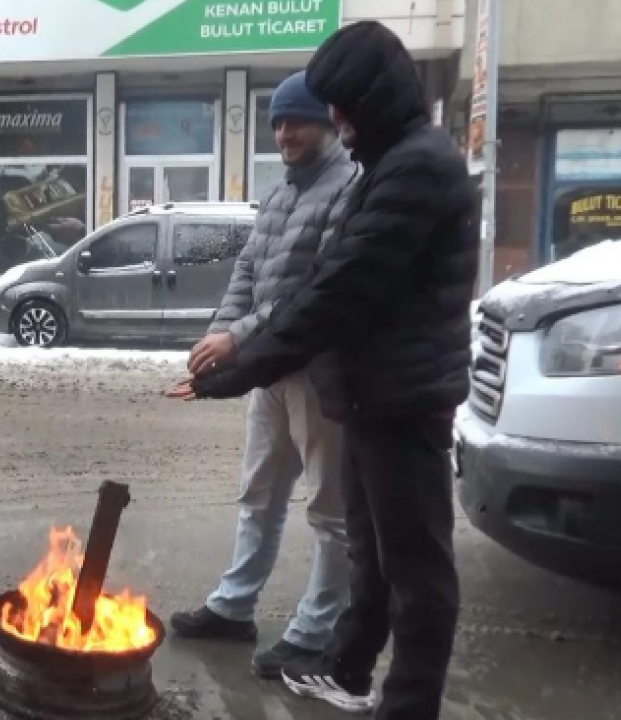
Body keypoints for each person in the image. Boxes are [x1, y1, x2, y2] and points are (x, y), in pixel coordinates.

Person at [167, 21, 477, 719]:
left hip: (402, 399)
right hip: (368, 396)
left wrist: (232, 368)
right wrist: (231, 343)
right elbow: (275, 278)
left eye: (334, 108)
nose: (328, 120)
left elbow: (332, 294)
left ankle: (406, 703)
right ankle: (346, 668)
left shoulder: (414, 170)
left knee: (415, 572)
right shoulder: (385, 165)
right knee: (371, 556)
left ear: (366, 100)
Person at [168, 70, 359, 681]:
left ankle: (317, 630)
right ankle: (233, 607)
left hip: (323, 374)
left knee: (330, 510)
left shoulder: (349, 188)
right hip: (272, 373)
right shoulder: (278, 195)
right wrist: (220, 334)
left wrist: (239, 336)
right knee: (259, 496)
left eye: (298, 119)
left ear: (329, 123)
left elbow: (317, 292)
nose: (285, 132)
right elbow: (247, 274)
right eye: (277, 122)